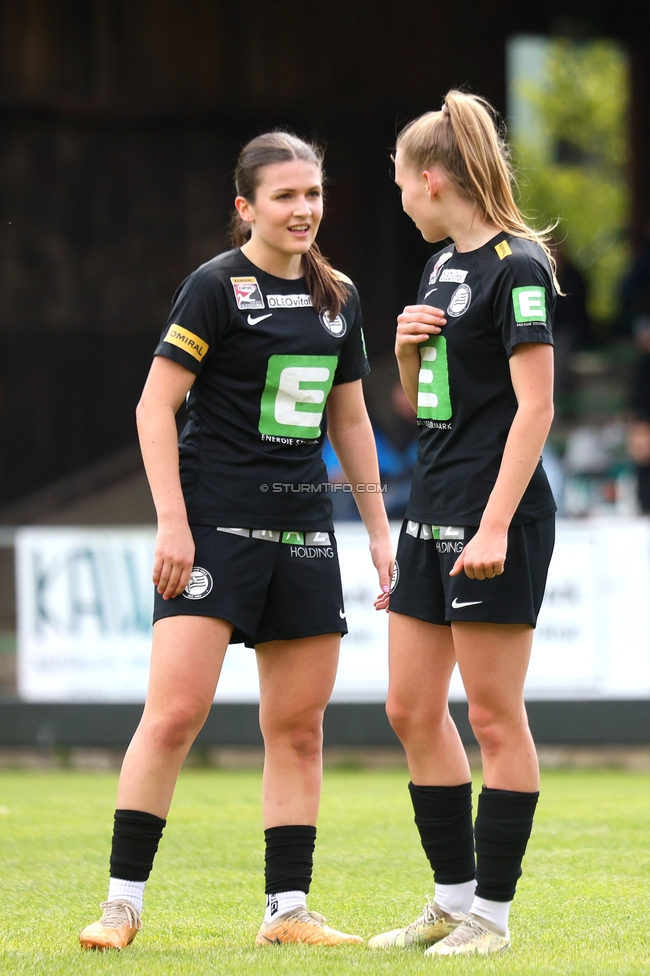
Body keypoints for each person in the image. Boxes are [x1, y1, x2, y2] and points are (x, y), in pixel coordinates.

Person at [79, 131, 392, 951]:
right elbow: (155, 408)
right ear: (245, 207)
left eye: (314, 194)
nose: (304, 210)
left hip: (304, 535)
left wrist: (379, 531)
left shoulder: (341, 296)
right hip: (213, 530)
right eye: (285, 196)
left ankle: (286, 911)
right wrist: (173, 521)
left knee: (298, 729)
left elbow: (350, 420)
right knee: (175, 714)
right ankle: (121, 906)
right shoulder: (213, 288)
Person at [368, 91, 557, 957]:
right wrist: (407, 357)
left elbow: (534, 410)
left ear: (432, 178)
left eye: (401, 182)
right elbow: (433, 410)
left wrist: (493, 526)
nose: (399, 197)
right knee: (409, 707)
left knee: (492, 716)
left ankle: (494, 920)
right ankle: (452, 900)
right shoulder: (440, 266)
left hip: (494, 521)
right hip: (431, 514)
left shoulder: (518, 268)